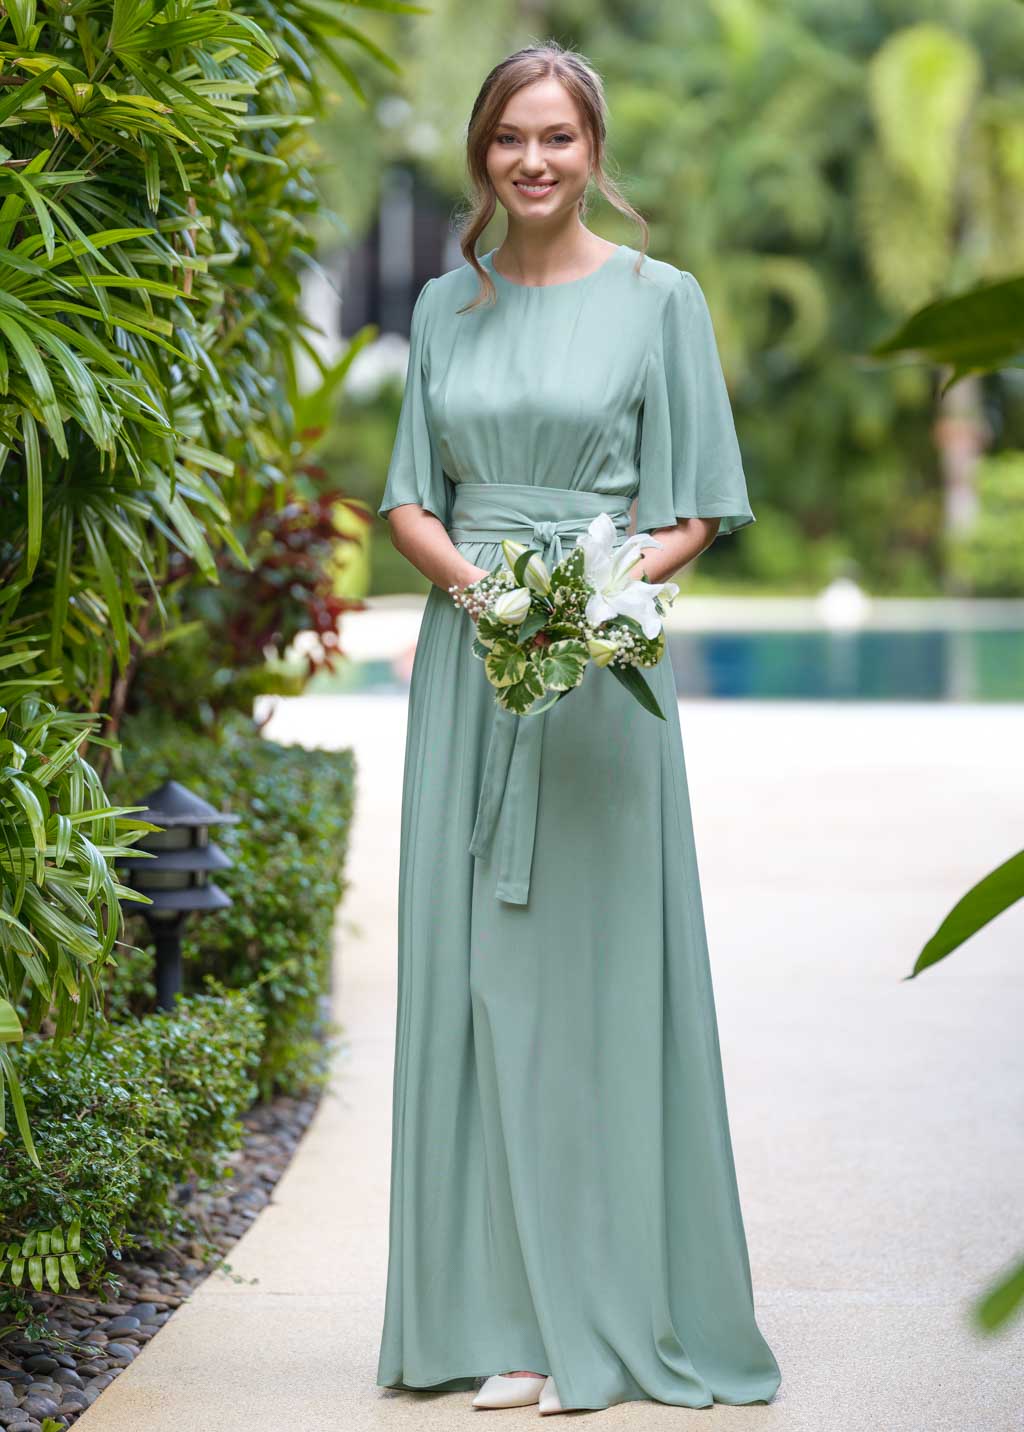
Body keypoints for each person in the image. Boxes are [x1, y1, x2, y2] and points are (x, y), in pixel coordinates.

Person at [376, 40, 782, 1416]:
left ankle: (602, 1312)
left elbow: (694, 512)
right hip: (468, 667)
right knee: (475, 993)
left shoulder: (664, 301)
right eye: (508, 140)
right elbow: (410, 499)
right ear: (481, 155)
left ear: (593, 150)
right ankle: (493, 1316)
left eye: (556, 138)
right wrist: (487, 596)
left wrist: (584, 605)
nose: (533, 162)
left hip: (597, 686)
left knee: (593, 1002)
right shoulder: (442, 306)